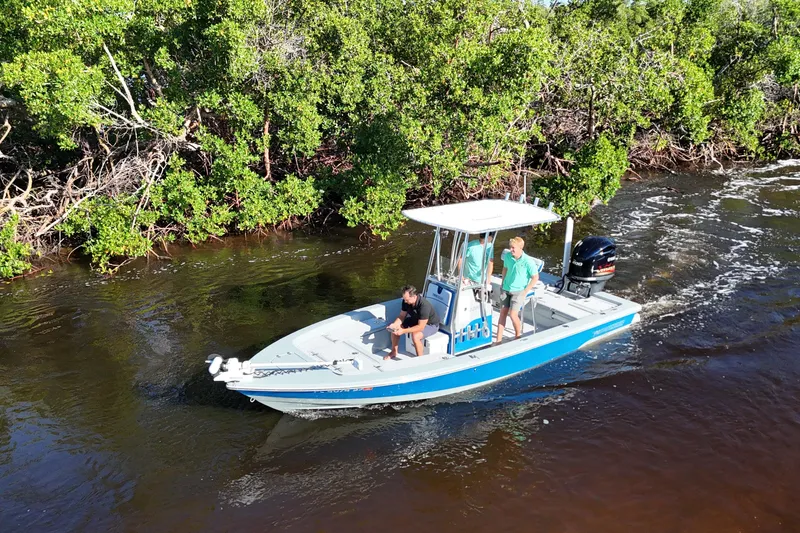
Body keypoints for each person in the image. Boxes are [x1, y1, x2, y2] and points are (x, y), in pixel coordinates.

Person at [494, 236, 542, 344]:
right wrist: (502, 282)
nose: (511, 250)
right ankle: (498, 340)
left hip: (519, 291)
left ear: (520, 248)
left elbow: (535, 277)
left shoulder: (528, 261)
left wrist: (525, 291)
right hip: (506, 288)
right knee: (502, 313)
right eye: (510, 247)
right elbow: (505, 268)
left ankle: (518, 336)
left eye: (513, 248)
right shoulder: (508, 256)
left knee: (513, 314)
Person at [385, 285, 441, 360]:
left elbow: (420, 327)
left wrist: (403, 331)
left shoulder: (424, 306)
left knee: (415, 336)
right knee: (395, 328)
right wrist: (394, 325)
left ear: (414, 297)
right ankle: (394, 351)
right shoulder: (405, 301)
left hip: (430, 325)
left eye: (407, 300)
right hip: (416, 319)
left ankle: (420, 359)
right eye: (404, 299)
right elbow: (402, 316)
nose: (405, 301)